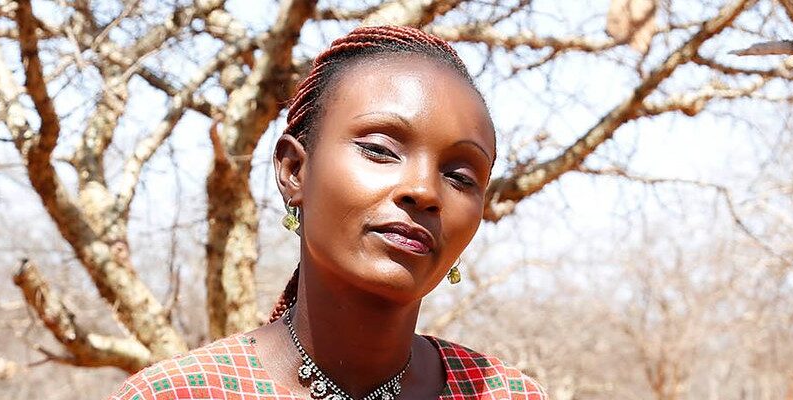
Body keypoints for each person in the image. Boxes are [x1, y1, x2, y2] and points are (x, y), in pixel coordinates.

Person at [107, 25, 545, 400]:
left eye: (460, 177)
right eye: (380, 149)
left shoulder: (502, 392)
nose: (424, 191)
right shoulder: (180, 393)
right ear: (294, 170)